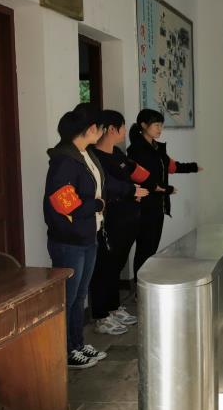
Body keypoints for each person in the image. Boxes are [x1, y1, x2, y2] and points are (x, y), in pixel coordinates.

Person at [43, 103, 108, 369]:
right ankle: (66, 350)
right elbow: (65, 204)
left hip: (87, 235)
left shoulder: (85, 154)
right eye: (101, 128)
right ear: (91, 129)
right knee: (68, 298)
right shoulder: (64, 160)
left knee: (80, 296)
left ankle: (77, 344)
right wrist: (97, 204)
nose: (102, 132)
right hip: (69, 241)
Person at [89, 110, 151, 335]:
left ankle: (113, 308)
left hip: (128, 220)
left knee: (117, 265)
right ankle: (101, 315)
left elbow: (135, 176)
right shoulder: (94, 157)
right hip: (110, 222)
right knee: (104, 267)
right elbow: (106, 186)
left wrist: (138, 190)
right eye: (123, 127)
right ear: (111, 129)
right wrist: (130, 191)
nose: (125, 131)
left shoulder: (117, 153)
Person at [127, 109, 202, 284]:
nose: (160, 129)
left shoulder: (157, 148)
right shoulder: (137, 150)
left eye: (161, 125)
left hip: (158, 205)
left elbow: (171, 166)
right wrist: (165, 189)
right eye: (156, 125)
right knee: (144, 249)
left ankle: (147, 286)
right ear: (143, 125)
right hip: (143, 206)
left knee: (151, 249)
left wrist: (193, 167)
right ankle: (140, 288)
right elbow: (142, 178)